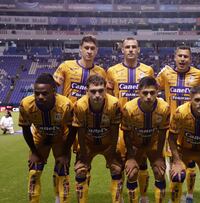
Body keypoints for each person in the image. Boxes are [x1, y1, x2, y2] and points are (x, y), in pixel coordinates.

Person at [156, 45, 200, 202]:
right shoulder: (166, 74)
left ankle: (190, 196)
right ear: (174, 57)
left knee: (191, 164)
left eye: (186, 56)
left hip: (192, 128)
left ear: (190, 59)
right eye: (180, 56)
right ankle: (174, 198)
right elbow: (153, 88)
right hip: (171, 128)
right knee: (175, 164)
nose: (183, 59)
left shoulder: (198, 75)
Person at [107, 37, 154, 202]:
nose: (131, 50)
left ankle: (142, 197)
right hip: (120, 127)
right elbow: (110, 98)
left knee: (141, 164)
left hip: (142, 127)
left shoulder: (148, 70)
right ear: (122, 50)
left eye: (134, 47)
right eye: (128, 47)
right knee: (118, 167)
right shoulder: (112, 71)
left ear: (139, 49)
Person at [19, 73, 75, 203]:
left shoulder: (65, 105)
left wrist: (65, 153)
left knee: (62, 170)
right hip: (40, 138)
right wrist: (34, 151)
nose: (40, 97)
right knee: (34, 172)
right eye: (36, 93)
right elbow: (26, 129)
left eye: (44, 93)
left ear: (54, 92)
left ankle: (59, 199)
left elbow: (73, 130)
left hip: (61, 138)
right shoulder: (26, 104)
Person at [72, 75, 123, 203]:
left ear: (106, 90)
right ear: (87, 91)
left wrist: (112, 151)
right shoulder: (79, 105)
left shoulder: (114, 104)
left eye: (101, 90)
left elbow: (115, 130)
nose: (97, 95)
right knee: (80, 171)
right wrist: (83, 154)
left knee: (116, 168)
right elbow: (81, 133)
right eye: (93, 91)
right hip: (88, 144)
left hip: (107, 144)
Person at [122, 76, 170, 203]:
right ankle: (138, 199)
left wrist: (159, 156)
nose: (149, 96)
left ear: (157, 92)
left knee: (160, 172)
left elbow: (162, 134)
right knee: (132, 173)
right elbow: (126, 134)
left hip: (153, 144)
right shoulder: (129, 108)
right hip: (135, 145)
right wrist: (131, 158)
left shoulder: (164, 108)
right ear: (139, 92)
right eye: (145, 93)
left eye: (152, 93)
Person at [53, 35, 106, 103]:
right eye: (86, 48)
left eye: (92, 48)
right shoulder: (66, 65)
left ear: (96, 50)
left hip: (89, 112)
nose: (89, 51)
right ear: (80, 48)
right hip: (68, 110)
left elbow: (104, 94)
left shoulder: (101, 72)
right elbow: (52, 87)